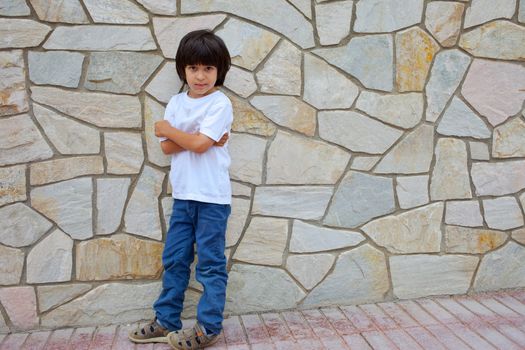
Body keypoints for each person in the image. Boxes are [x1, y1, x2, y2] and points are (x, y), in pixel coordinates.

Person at [129, 29, 233, 350]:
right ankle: (166, 321)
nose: (200, 76)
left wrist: (178, 133)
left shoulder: (220, 102)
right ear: (182, 69)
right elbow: (167, 148)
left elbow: (197, 145)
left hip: (212, 200)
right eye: (193, 68)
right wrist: (199, 138)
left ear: (220, 71)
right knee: (175, 259)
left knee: (211, 265)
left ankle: (208, 328)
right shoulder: (175, 102)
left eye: (208, 69)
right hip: (184, 197)